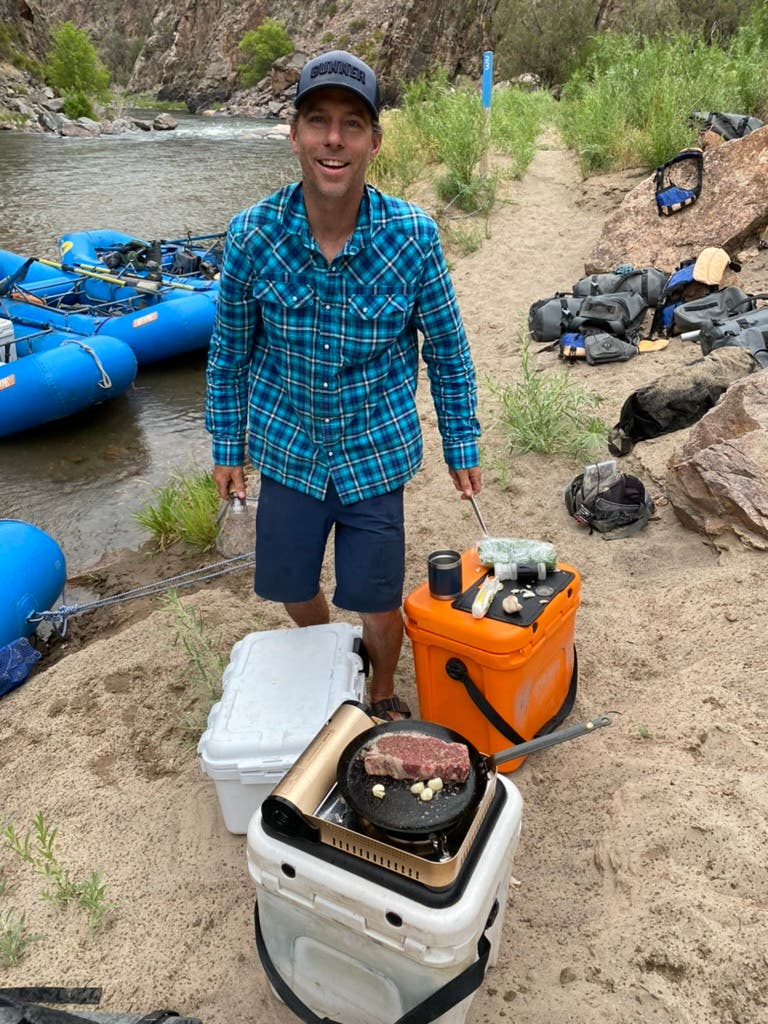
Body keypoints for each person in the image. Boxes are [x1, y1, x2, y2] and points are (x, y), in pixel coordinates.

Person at [205, 49, 481, 720]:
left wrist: (461, 445)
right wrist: (225, 446)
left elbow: (448, 352)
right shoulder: (251, 235)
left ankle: (381, 692)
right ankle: (332, 653)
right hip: (288, 452)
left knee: (380, 599)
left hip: (374, 453)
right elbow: (229, 355)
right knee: (291, 587)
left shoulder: (412, 236)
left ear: (374, 142)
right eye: (318, 120)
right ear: (295, 133)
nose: (334, 139)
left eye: (352, 124)